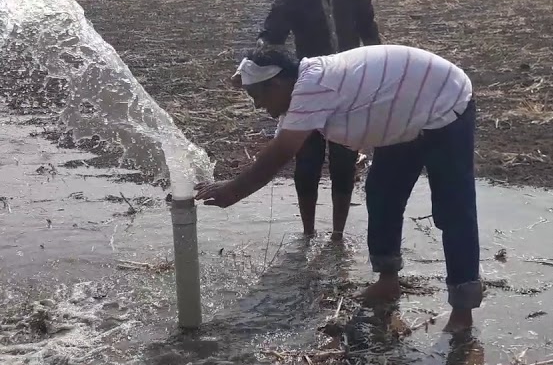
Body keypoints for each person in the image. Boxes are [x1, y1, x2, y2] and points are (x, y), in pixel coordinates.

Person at [197, 44, 482, 332]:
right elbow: (280, 140)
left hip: (444, 103)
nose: (258, 106)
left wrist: (232, 191)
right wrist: (245, 77)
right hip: (403, 115)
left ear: (278, 83)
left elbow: (281, 152)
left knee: (453, 208)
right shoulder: (300, 88)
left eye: (257, 96)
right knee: (382, 193)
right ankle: (387, 281)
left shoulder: (312, 86)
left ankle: (463, 310)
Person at [254, 0, 382, 241]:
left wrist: (378, 71)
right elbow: (270, 37)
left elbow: (368, 29)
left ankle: (337, 235)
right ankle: (308, 235)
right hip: (310, 88)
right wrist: (260, 67)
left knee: (344, 161)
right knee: (307, 164)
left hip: (352, 86)